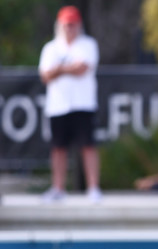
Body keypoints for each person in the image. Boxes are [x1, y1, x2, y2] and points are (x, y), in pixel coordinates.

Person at [38, 5, 102, 203]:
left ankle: (93, 188)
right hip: (58, 105)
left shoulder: (88, 45)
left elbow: (82, 68)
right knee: (58, 148)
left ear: (79, 25)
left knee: (88, 146)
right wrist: (67, 68)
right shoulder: (51, 48)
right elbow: (45, 75)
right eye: (67, 25)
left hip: (83, 104)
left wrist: (58, 69)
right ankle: (58, 188)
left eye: (73, 25)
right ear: (60, 25)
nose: (70, 28)